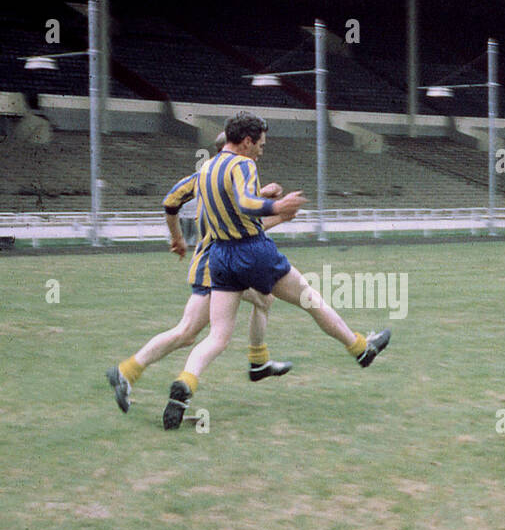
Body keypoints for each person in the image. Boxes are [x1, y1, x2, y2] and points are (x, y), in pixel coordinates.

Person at [162, 111, 390, 430]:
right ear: (246, 141)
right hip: (253, 251)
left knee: (217, 336)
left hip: (221, 258)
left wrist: (264, 200)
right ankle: (361, 349)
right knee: (311, 299)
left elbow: (223, 207)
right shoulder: (243, 163)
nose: (262, 150)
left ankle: (184, 385)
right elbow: (244, 204)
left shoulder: (207, 169)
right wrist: (277, 207)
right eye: (261, 144)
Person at [106, 134, 291, 414]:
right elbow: (244, 230)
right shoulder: (234, 175)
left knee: (263, 300)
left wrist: (177, 238)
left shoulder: (203, 178)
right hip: (216, 264)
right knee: (188, 331)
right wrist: (279, 214)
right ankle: (129, 371)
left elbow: (170, 203)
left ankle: (259, 362)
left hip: (217, 260)